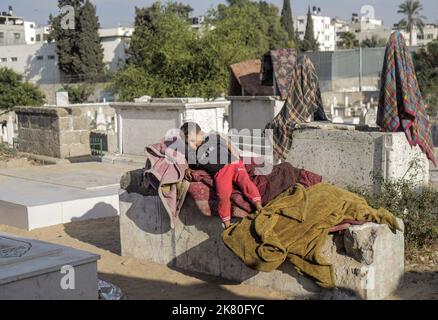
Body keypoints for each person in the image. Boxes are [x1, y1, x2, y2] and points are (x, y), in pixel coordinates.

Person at [180, 122, 263, 228]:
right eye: (187, 143)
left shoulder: (212, 138)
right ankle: (227, 224)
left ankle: (258, 206)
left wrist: (236, 156)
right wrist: (188, 170)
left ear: (200, 134)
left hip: (234, 163)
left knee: (245, 182)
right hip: (220, 173)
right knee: (223, 196)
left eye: (193, 140)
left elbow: (227, 144)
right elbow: (191, 167)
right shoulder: (193, 156)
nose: (192, 145)